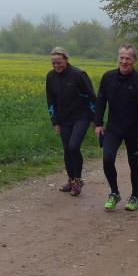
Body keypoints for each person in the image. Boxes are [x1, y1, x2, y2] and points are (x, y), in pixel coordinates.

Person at [94, 45, 138, 211]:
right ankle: (114, 193)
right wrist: (98, 123)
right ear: (118, 58)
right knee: (107, 159)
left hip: (133, 130)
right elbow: (100, 100)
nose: (124, 61)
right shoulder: (108, 77)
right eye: (121, 57)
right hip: (113, 128)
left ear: (134, 60)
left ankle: (135, 196)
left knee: (134, 163)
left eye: (128, 58)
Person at [46, 47, 96, 196]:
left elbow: (92, 96)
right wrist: (55, 121)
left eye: (59, 62)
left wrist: (96, 119)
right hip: (64, 118)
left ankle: (78, 181)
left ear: (66, 60)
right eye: (53, 63)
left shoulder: (78, 74)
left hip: (81, 116)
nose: (56, 66)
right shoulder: (51, 76)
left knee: (74, 146)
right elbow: (50, 100)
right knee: (67, 149)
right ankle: (71, 180)